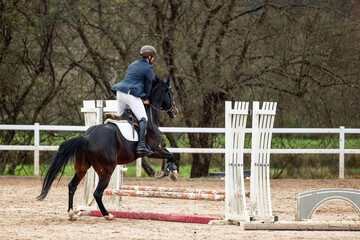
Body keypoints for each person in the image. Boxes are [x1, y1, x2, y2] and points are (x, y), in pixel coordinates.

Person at [110, 45, 157, 156]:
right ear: (149, 57)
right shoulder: (148, 68)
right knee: (143, 118)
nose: (154, 59)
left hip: (120, 93)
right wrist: (145, 99)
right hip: (131, 94)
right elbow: (148, 87)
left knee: (121, 117)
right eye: (153, 57)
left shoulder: (132, 64)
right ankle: (141, 145)